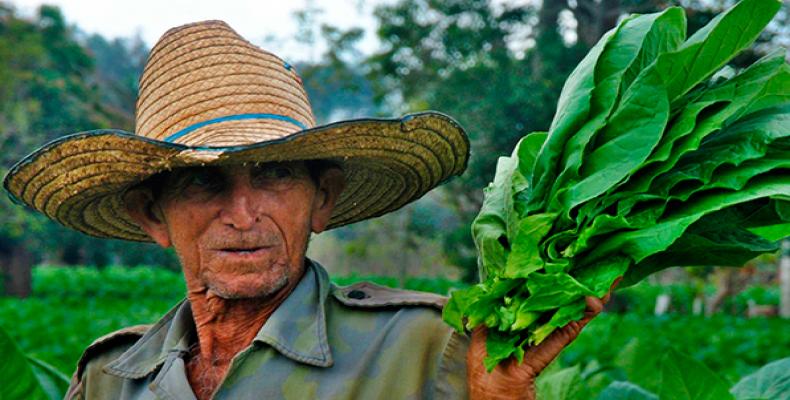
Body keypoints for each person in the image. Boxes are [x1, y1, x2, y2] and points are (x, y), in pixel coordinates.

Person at [4, 21, 610, 399]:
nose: (243, 214)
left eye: (274, 174)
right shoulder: (111, 378)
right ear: (151, 217)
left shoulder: (432, 350)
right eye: (200, 182)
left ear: (324, 198)